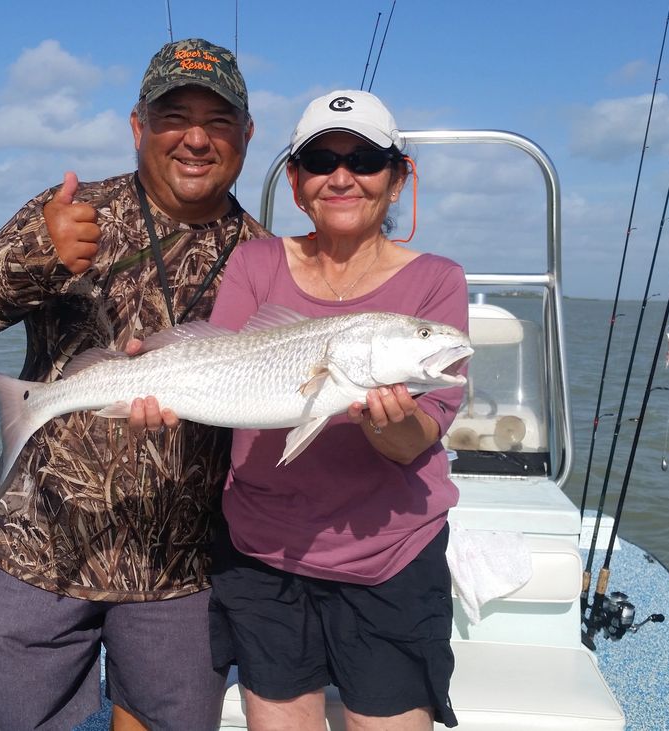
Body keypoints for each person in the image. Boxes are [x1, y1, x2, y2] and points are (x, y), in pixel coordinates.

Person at [0, 38, 269, 731]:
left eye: (218, 121)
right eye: (174, 117)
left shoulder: (265, 257)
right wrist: (39, 256)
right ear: (136, 126)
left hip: (180, 561)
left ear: (247, 134)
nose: (196, 138)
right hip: (42, 537)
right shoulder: (73, 211)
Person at [206, 90, 468, 729]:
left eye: (366, 160)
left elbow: (414, 440)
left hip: (389, 556)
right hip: (263, 552)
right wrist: (146, 385)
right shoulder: (255, 261)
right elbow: (217, 372)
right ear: (296, 183)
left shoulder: (438, 279)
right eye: (321, 161)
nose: (342, 177)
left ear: (397, 178)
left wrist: (389, 421)